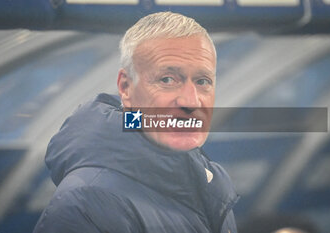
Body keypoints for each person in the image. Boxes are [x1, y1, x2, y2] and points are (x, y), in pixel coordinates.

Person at [33, 11, 238, 233]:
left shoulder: (207, 184)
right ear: (126, 88)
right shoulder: (85, 203)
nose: (191, 101)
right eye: (167, 79)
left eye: (202, 81)